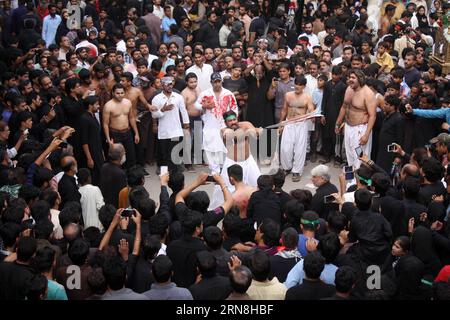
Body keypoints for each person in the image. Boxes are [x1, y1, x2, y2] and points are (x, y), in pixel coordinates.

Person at [195, 73, 238, 173]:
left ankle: (225, 169)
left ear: (221, 81)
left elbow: (234, 108)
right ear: (211, 82)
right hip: (210, 124)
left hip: (225, 125)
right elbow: (197, 105)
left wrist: (231, 122)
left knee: (226, 147)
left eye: (219, 81)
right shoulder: (205, 94)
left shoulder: (228, 93)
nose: (217, 84)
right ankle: (215, 171)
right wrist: (204, 106)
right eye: (215, 82)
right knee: (210, 147)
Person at [335, 69, 377, 169]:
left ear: (360, 79)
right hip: (349, 127)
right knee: (349, 153)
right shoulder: (349, 89)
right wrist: (338, 123)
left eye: (353, 78)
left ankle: (362, 182)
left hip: (361, 130)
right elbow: (344, 107)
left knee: (360, 156)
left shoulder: (368, 93)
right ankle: (352, 181)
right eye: (349, 77)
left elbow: (372, 116)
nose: (350, 80)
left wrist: (366, 135)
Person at [279, 75, 315, 182]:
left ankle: (296, 171)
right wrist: (281, 123)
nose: (297, 86)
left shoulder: (307, 97)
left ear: (304, 86)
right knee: (285, 148)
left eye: (300, 85)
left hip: (300, 124)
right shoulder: (288, 95)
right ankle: (286, 168)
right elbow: (284, 110)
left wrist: (313, 115)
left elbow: (311, 109)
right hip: (289, 123)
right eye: (296, 84)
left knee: (300, 149)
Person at [151, 76, 190, 171]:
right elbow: (154, 115)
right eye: (167, 84)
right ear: (162, 85)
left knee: (175, 151)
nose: (170, 86)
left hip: (176, 129)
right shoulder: (157, 98)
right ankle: (164, 170)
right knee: (164, 152)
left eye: (171, 84)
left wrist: (186, 123)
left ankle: (174, 171)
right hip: (164, 130)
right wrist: (162, 110)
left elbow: (183, 111)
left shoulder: (178, 97)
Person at [102, 83, 139, 168]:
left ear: (124, 93)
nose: (120, 95)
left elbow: (131, 118)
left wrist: (136, 133)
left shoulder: (128, 102)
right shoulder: (108, 106)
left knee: (131, 156)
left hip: (127, 132)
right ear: (113, 93)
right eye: (117, 93)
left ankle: (131, 177)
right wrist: (108, 139)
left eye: (122, 93)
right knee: (116, 158)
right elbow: (105, 124)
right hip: (115, 134)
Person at [80, 96, 104, 185]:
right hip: (92, 153)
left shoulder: (92, 115)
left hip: (97, 151)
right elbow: (84, 141)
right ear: (90, 106)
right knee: (96, 176)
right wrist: (89, 158)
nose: (98, 106)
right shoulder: (84, 119)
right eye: (96, 104)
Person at [99, 144, 127, 208]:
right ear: (120, 156)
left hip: (105, 202)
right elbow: (122, 194)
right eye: (124, 153)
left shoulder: (104, 166)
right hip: (115, 205)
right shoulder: (120, 173)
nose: (125, 154)